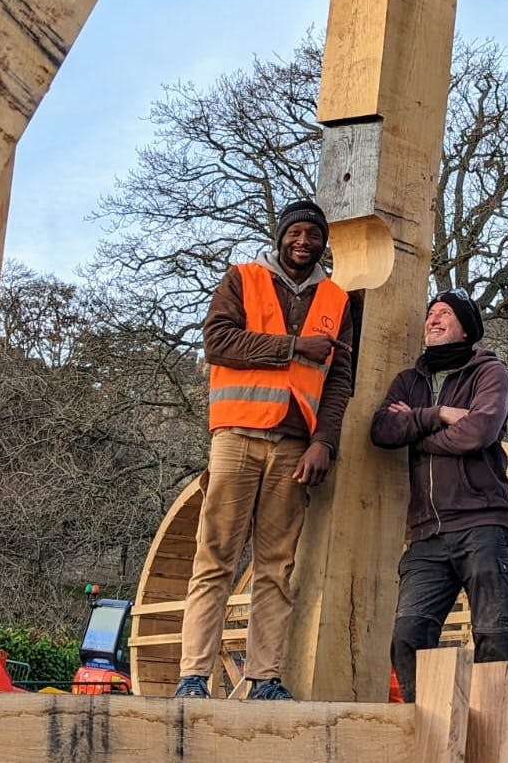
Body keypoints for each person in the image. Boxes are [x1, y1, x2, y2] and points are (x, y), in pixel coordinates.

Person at [174, 200, 354, 700]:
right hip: (237, 435)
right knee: (216, 557)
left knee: (278, 565)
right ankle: (193, 675)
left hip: (295, 445)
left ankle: (265, 678)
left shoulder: (336, 299)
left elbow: (340, 380)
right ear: (281, 237)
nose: (304, 242)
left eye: (313, 236)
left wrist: (324, 443)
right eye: (296, 233)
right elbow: (218, 342)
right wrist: (293, 348)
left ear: (323, 243)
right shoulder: (243, 278)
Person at [370, 288, 508, 703]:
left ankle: (493, 726)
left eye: (444, 314)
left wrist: (417, 436)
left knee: (494, 631)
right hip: (426, 533)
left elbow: (479, 431)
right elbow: (382, 430)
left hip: (481, 521)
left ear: (465, 328)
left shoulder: (489, 374)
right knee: (407, 635)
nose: (433, 320)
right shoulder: (409, 381)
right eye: (430, 314)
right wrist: (436, 415)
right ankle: (433, 725)